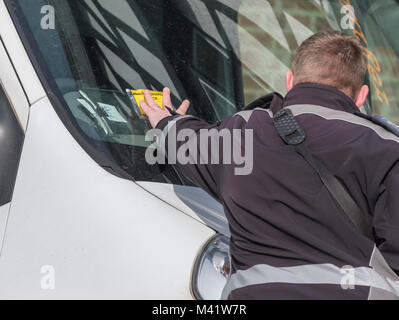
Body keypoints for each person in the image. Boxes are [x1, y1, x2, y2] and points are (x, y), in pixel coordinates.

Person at [139, 31, 399, 300]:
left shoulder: (244, 132)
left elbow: (187, 143)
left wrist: (165, 122)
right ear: (361, 96)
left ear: (290, 80)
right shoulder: (385, 147)